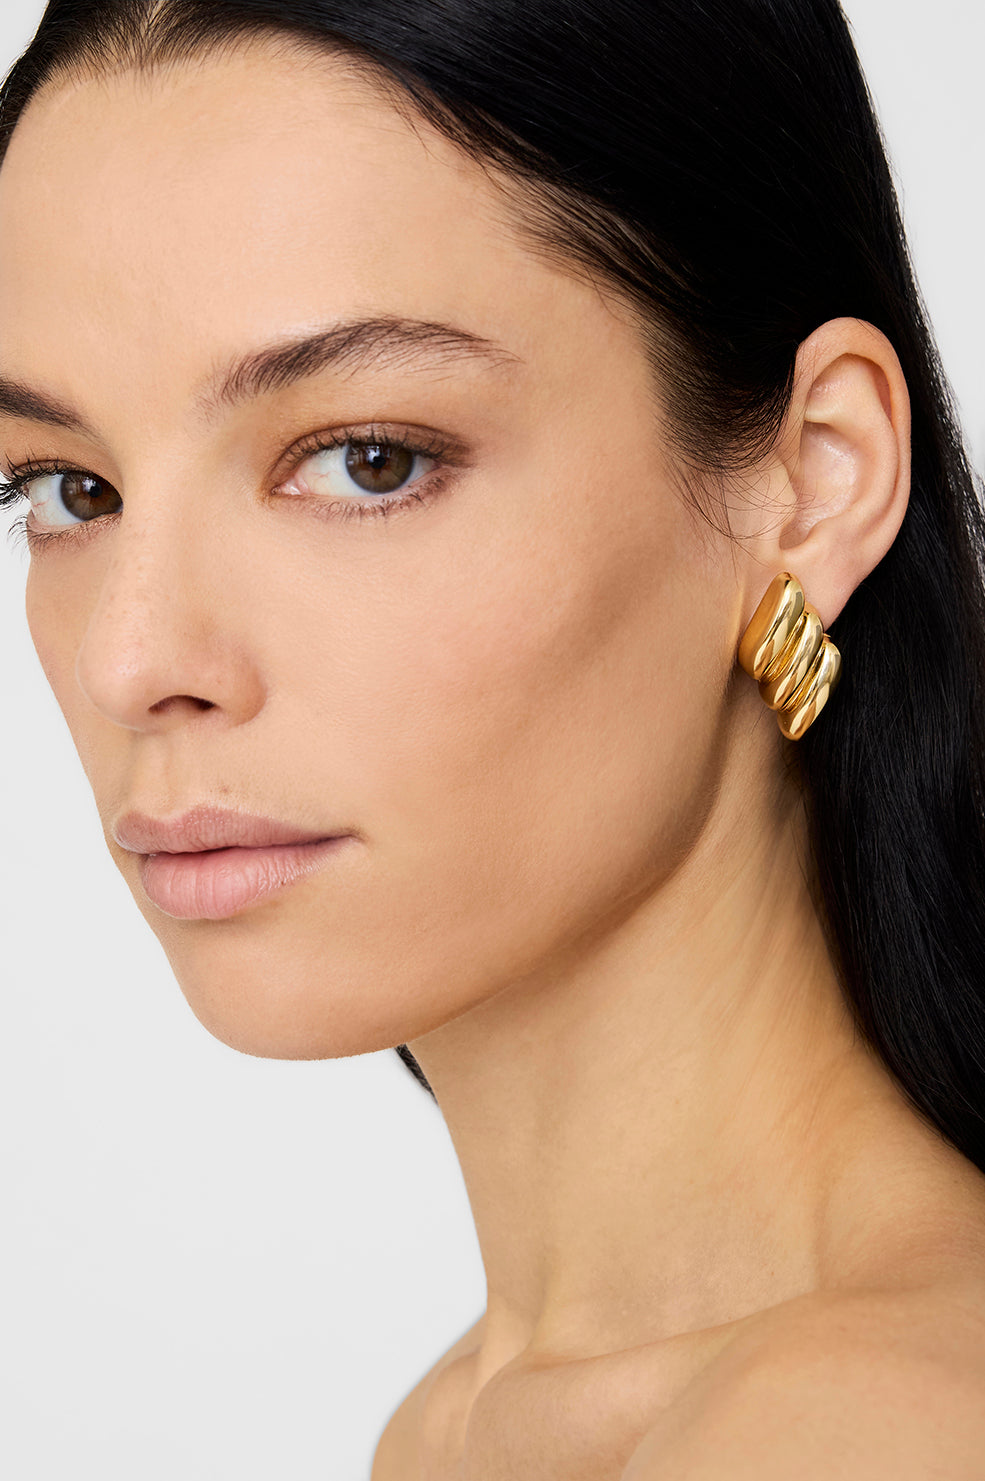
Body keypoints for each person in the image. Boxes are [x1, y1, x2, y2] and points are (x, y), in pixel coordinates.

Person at [1, 0, 984, 1475]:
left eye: (366, 460)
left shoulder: (869, 1429)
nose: (133, 661)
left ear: (813, 482)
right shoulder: (460, 1429)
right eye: (66, 490)